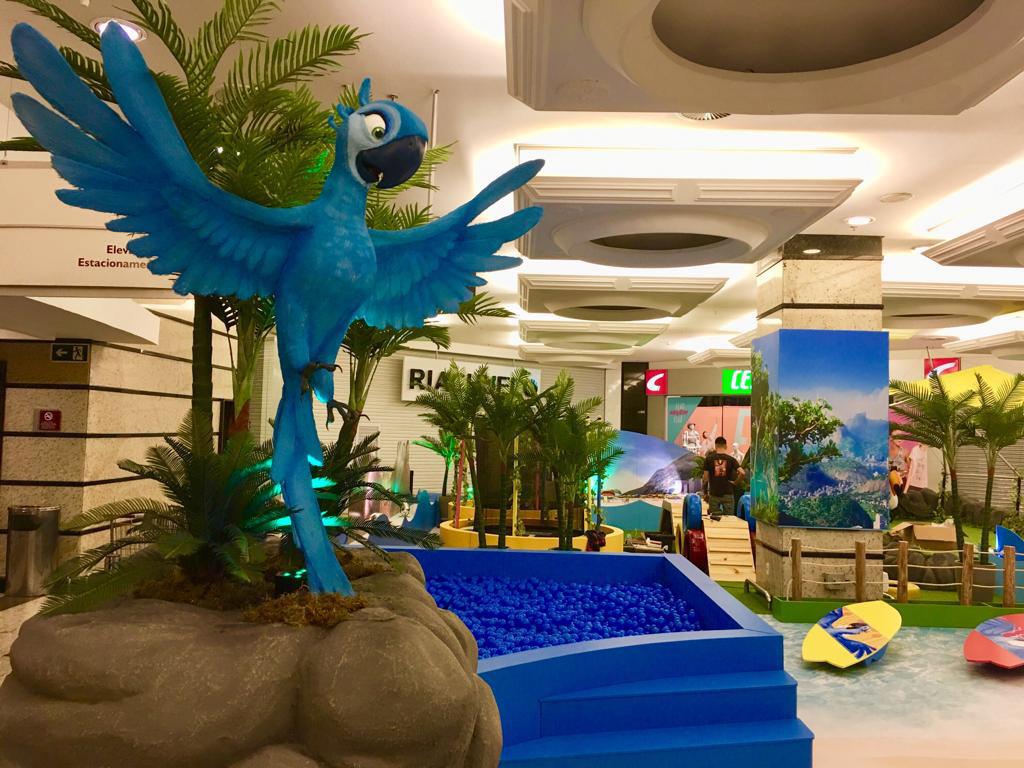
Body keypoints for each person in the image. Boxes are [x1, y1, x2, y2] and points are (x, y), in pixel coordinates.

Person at [703, 436, 744, 521]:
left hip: (714, 494)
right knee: (729, 520)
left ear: (715, 446)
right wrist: (735, 482)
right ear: (726, 446)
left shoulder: (708, 459)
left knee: (714, 520)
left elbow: (705, 478)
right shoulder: (731, 459)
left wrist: (705, 493)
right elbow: (742, 473)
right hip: (728, 493)